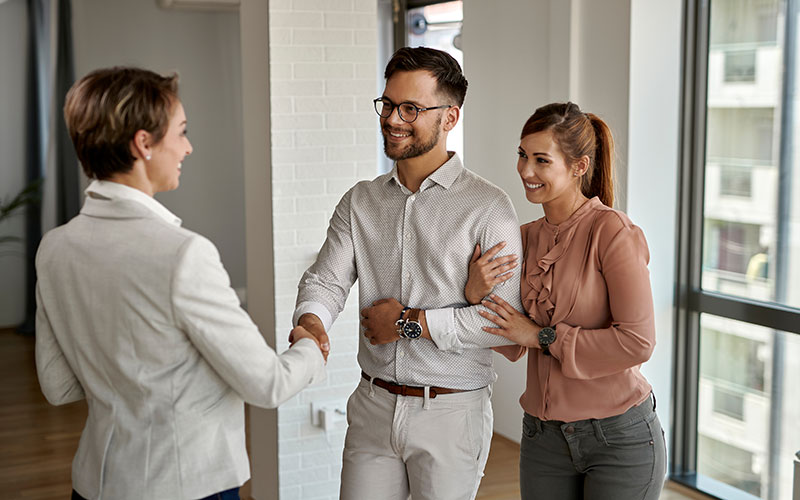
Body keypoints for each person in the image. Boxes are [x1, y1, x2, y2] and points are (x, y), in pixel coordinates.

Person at [35, 67, 326, 500]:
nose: (188, 148)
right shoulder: (183, 255)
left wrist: (134, 370)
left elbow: (58, 386)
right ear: (143, 143)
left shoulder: (54, 247)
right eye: (182, 132)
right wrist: (312, 347)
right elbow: (268, 384)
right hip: (185, 486)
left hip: (95, 483)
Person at [293, 47, 523, 500]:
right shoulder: (359, 201)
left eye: (411, 108)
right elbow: (326, 280)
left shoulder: (489, 208)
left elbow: (501, 324)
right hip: (373, 405)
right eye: (388, 104)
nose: (393, 118)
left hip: (450, 412)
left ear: (449, 117)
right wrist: (311, 322)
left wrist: (405, 323)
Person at [469, 102, 666, 499]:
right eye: (522, 156)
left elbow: (638, 342)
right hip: (543, 437)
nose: (526, 171)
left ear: (579, 166)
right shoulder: (521, 238)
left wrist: (543, 338)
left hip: (618, 439)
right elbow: (510, 342)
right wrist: (474, 292)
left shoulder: (614, 233)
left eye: (541, 160)